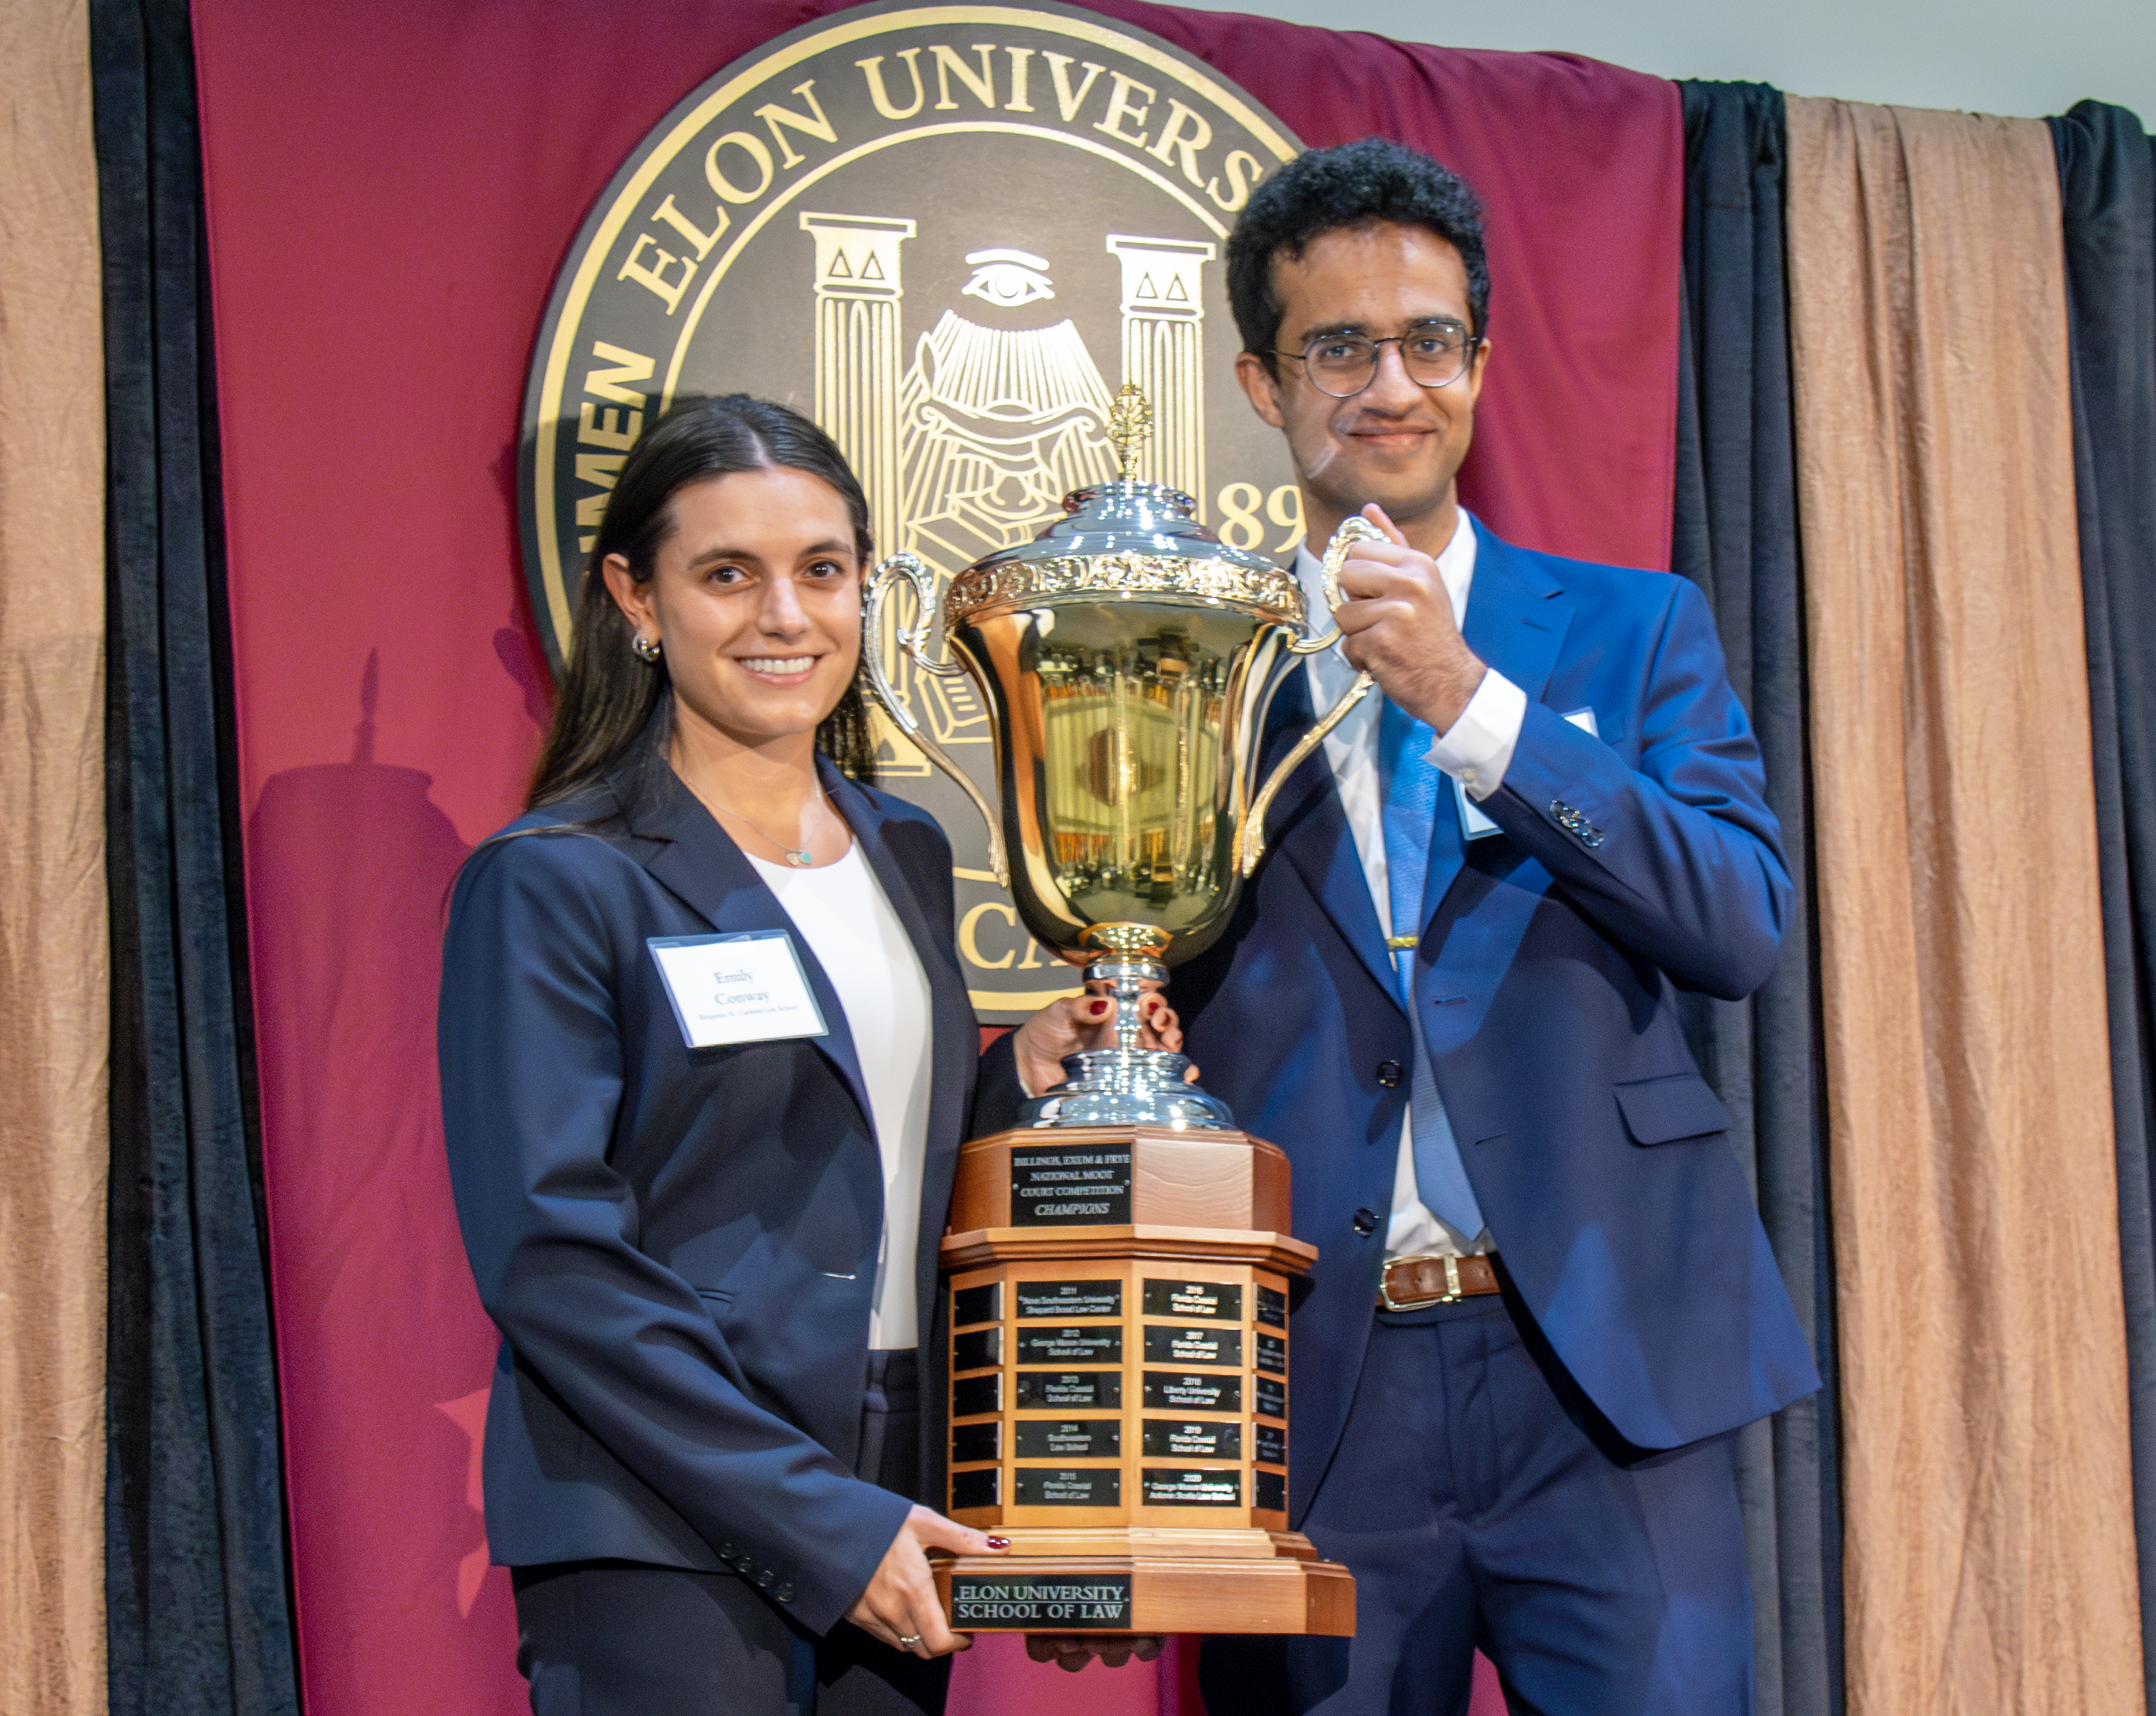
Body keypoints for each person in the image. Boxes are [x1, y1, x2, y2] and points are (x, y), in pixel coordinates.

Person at [1162, 139, 1821, 1714]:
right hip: (1315, 1384)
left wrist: (1476, 708)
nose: (1391, 383)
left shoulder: (1631, 624)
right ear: (1264, 379)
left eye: (1430, 342)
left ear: (1481, 365)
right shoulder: (1195, 663)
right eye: (1339, 346)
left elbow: (1736, 921)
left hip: (1602, 1367)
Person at [439, 394, 1178, 1715]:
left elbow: (876, 1158)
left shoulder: (906, 850)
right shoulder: (556, 879)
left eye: (821, 571)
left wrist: (1020, 1081)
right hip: (662, 1509)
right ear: (637, 598)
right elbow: (551, 1256)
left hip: (898, 1483)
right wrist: (819, 1523)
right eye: (729, 573)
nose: (785, 616)